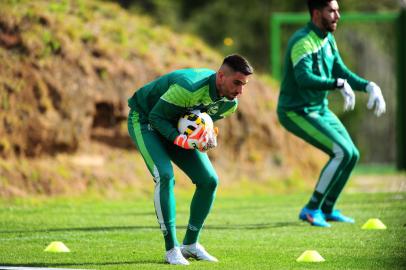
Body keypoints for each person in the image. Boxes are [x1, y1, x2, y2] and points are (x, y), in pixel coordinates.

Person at [127, 54, 253, 264]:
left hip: (173, 125)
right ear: (221, 76)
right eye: (237, 83)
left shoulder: (229, 104)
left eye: (244, 85)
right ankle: (171, 250)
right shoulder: (190, 87)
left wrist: (205, 136)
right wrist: (181, 140)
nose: (240, 91)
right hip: (145, 119)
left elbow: (199, 123)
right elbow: (157, 117)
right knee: (165, 176)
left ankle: (190, 245)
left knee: (209, 180)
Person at [277, 0, 386, 227]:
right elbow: (303, 79)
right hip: (296, 111)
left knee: (352, 154)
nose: (338, 15)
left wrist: (368, 86)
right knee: (341, 151)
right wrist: (336, 84)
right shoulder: (302, 41)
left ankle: (327, 209)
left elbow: (341, 70)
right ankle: (311, 209)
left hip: (319, 109)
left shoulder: (327, 39)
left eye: (338, 10)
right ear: (317, 13)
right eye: (332, 11)